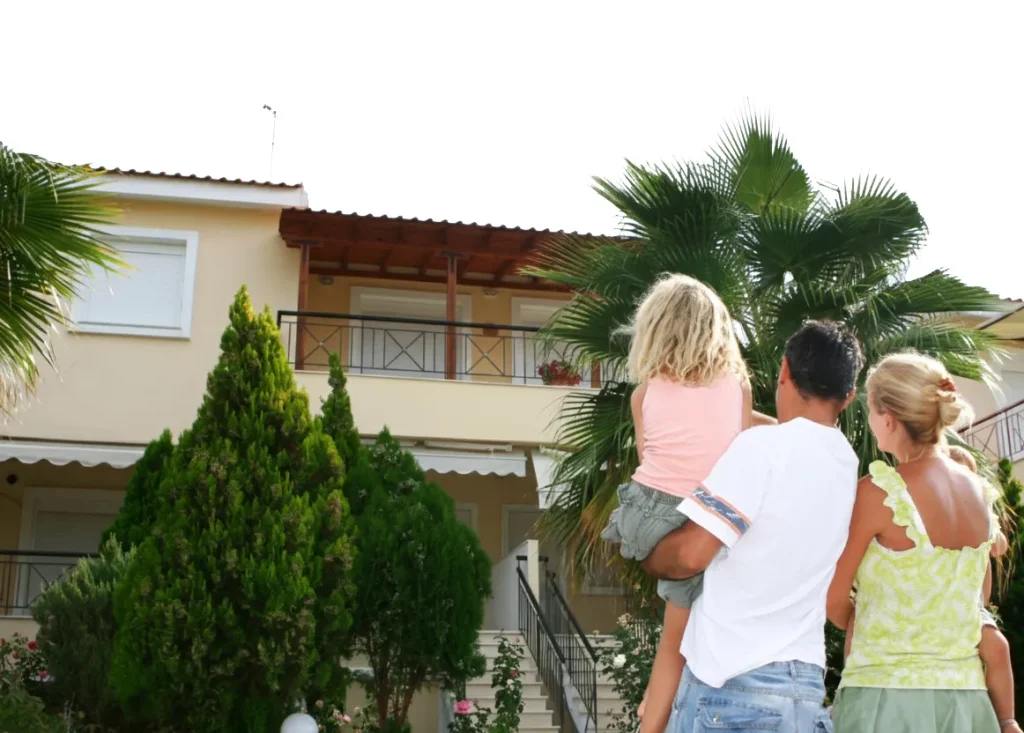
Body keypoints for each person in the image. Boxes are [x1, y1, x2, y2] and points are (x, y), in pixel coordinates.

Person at [642, 319, 863, 732]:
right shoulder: (846, 464)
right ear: (848, 397)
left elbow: (690, 555)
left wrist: (649, 554)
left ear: (784, 371)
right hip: (803, 692)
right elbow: (800, 442)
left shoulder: (761, 449)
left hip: (731, 690)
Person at [600, 273, 774, 733]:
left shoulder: (644, 393)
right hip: (698, 515)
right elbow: (736, 445)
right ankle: (652, 722)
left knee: (680, 623)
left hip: (643, 513)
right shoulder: (738, 387)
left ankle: (652, 705)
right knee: (674, 641)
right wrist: (784, 428)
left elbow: (648, 455)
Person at [827, 352, 1017, 733]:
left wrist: (869, 625)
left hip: (885, 699)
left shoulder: (879, 492)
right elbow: (977, 598)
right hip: (966, 703)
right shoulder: (980, 492)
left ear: (888, 418)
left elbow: (833, 600)